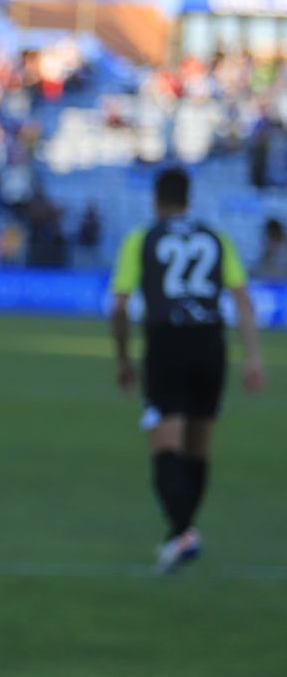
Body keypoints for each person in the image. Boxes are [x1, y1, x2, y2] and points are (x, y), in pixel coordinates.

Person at [109, 167, 268, 573]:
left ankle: (182, 532)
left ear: (156, 201)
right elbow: (243, 299)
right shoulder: (217, 239)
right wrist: (252, 356)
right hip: (210, 344)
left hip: (167, 344)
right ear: (189, 198)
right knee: (198, 447)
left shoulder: (142, 239)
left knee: (165, 447)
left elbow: (121, 304)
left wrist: (124, 358)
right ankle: (182, 534)